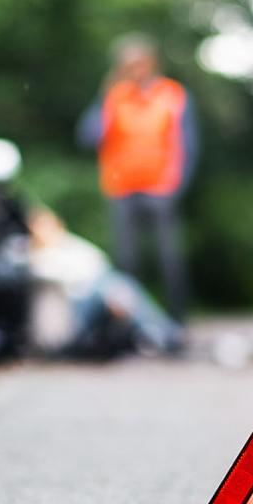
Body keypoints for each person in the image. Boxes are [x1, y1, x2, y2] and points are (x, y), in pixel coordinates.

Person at [76, 33, 199, 323]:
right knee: (126, 261)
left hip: (161, 187)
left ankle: (177, 322)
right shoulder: (115, 97)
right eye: (128, 65)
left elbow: (189, 143)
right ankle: (132, 325)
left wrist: (178, 184)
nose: (135, 70)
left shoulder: (172, 95)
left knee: (170, 258)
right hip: (121, 187)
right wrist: (104, 97)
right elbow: (87, 137)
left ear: (151, 63)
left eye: (139, 63)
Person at [27, 208, 182, 359]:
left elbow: (99, 262)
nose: (45, 231)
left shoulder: (71, 245)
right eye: (40, 227)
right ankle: (161, 332)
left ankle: (155, 333)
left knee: (118, 284)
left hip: (97, 296)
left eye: (48, 226)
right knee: (115, 285)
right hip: (75, 309)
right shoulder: (32, 255)